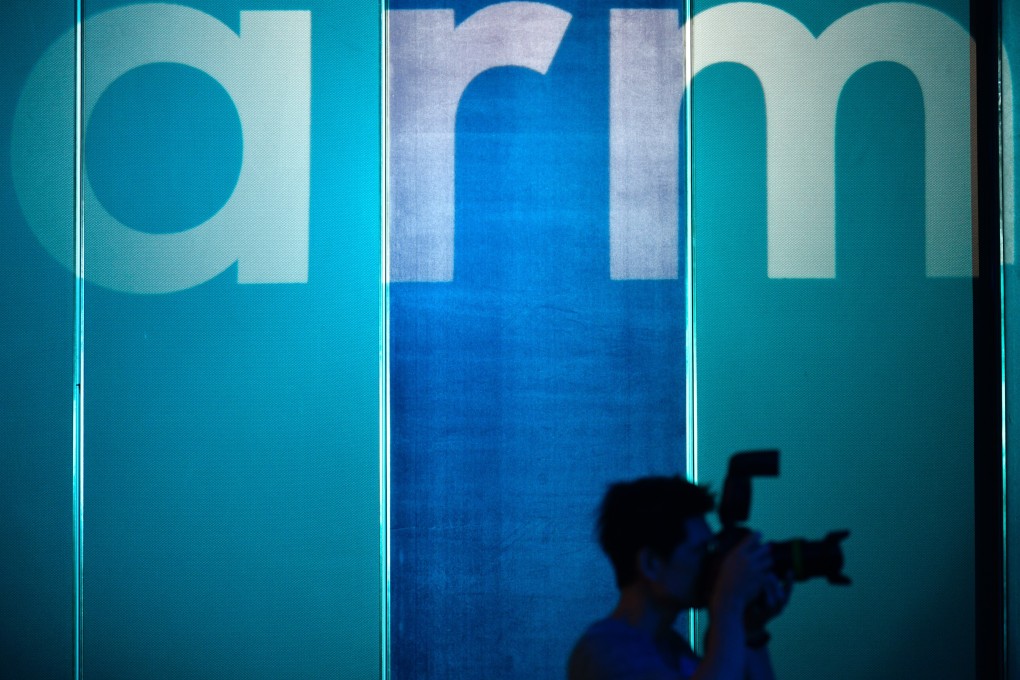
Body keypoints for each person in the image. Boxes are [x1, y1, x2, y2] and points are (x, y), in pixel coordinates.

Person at [568, 475, 792, 680]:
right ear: (651, 564)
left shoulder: (671, 649)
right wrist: (729, 602)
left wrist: (750, 632)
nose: (711, 563)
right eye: (699, 551)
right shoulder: (604, 652)